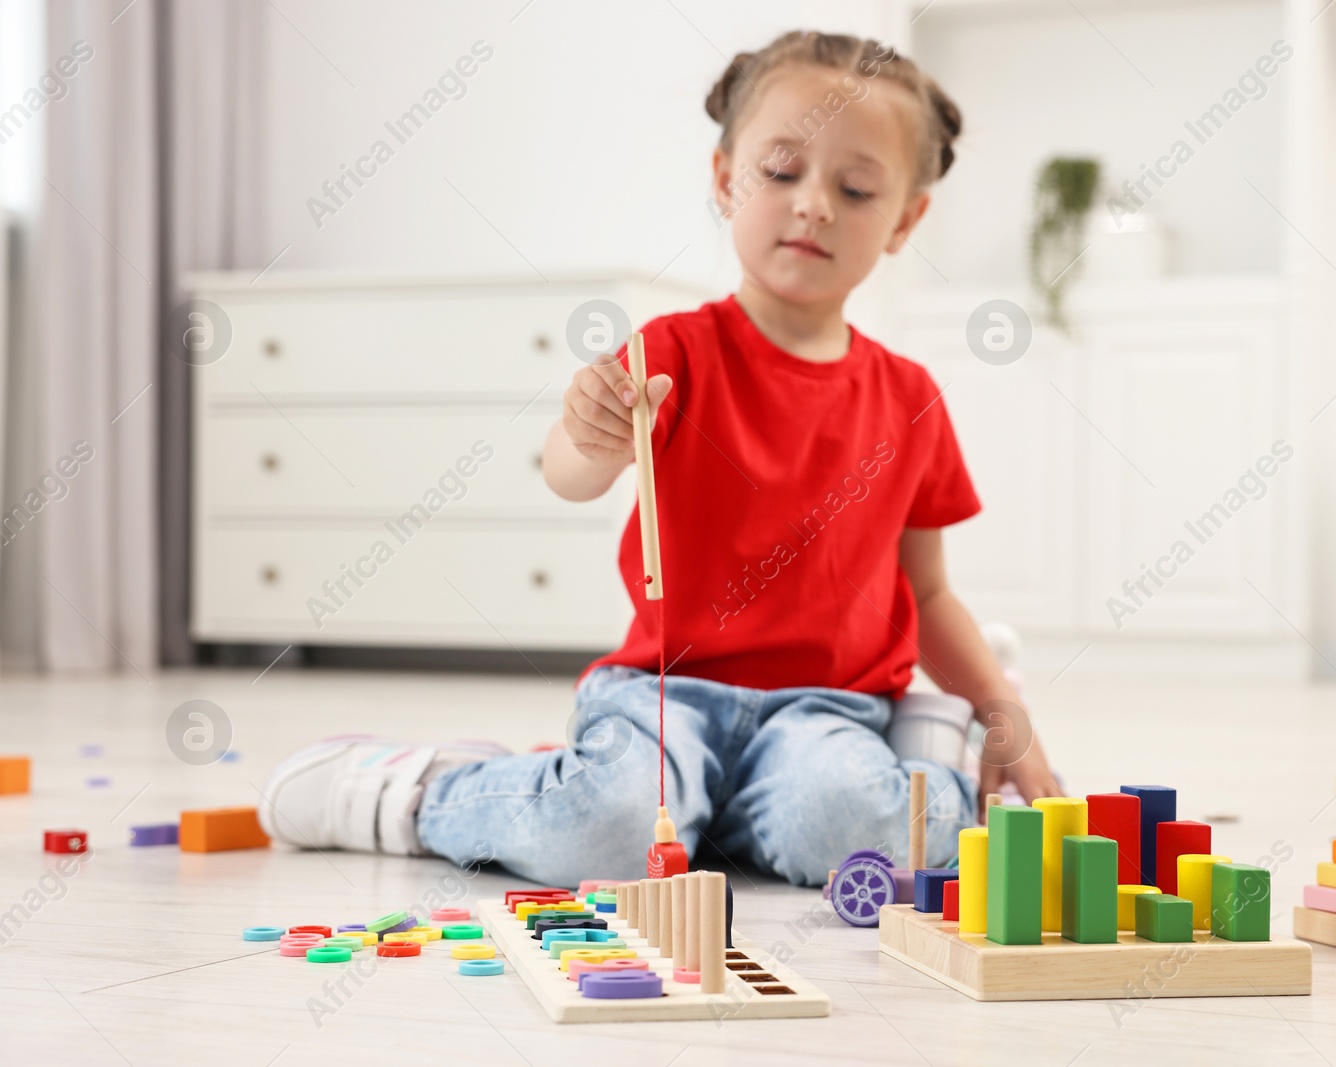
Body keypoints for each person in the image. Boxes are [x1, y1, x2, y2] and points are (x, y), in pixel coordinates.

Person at [258, 30, 1059, 887]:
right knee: (605, 832)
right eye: (782, 172)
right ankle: (420, 791)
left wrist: (1003, 713)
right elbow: (572, 474)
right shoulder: (675, 349)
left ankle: (870, 759)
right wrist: (584, 431)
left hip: (829, 711)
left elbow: (927, 590)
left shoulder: (909, 396)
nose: (815, 204)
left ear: (904, 219)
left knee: (870, 829)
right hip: (664, 694)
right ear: (725, 179)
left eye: (856, 188)